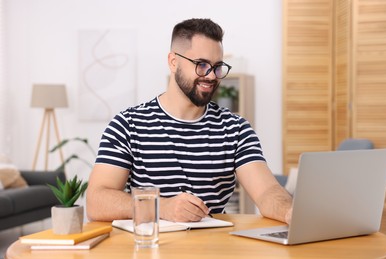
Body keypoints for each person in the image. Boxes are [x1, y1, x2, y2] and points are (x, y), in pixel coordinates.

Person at [86, 18, 292, 224]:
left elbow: (267, 192)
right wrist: (162, 207)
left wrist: (290, 212)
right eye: (201, 65)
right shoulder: (128, 125)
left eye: (217, 66)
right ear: (173, 62)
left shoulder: (235, 129)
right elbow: (96, 201)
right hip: (151, 249)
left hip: (214, 249)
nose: (211, 76)